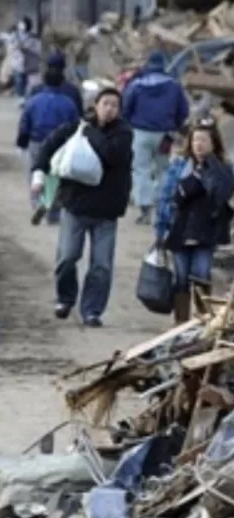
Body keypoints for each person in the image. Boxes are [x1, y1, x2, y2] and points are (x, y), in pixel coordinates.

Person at [31, 87, 133, 327]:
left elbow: (111, 156)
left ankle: (92, 311)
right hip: (75, 205)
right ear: (96, 105)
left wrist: (90, 132)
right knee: (67, 257)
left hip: (107, 210)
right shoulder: (75, 128)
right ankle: (65, 299)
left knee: (101, 265)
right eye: (105, 103)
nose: (109, 109)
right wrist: (39, 174)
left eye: (114, 105)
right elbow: (48, 146)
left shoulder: (124, 134)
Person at [154, 119, 234, 323]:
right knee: (181, 278)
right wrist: (160, 230)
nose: (199, 144)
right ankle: (181, 323)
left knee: (201, 274)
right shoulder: (179, 165)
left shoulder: (223, 169)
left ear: (213, 143)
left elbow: (224, 194)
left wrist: (210, 168)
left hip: (206, 231)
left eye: (204, 140)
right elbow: (168, 198)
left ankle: (202, 321)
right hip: (180, 229)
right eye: (196, 139)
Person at [122, 51, 190, 224]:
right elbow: (184, 110)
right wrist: (174, 125)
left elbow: (126, 107)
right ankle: (164, 206)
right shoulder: (174, 85)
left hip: (140, 133)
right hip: (165, 135)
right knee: (164, 170)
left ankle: (145, 211)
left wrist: (130, 123)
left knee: (141, 170)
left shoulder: (136, 84)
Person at [17, 55, 82, 225]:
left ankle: (37, 202)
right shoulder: (69, 100)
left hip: (37, 140)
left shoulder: (35, 97)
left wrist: (22, 142)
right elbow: (77, 123)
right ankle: (53, 210)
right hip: (61, 143)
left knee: (36, 171)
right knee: (56, 175)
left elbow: (25, 121)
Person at [6, 18, 41, 99]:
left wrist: (25, 48)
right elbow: (11, 48)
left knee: (29, 84)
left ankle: (26, 98)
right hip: (17, 64)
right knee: (19, 82)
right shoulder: (14, 36)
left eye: (22, 23)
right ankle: (20, 99)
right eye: (20, 23)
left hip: (30, 64)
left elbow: (36, 50)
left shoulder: (33, 38)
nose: (20, 25)